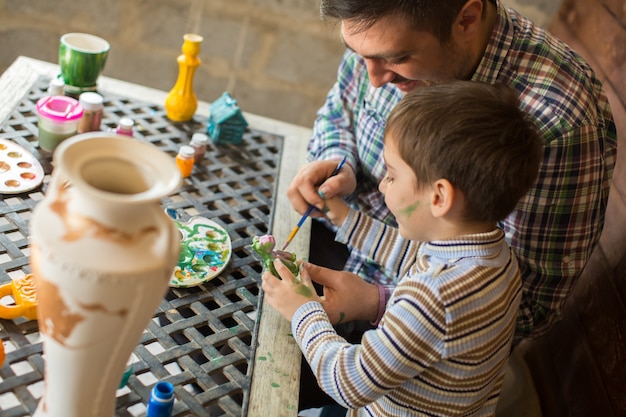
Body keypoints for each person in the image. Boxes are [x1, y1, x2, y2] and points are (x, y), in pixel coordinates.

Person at [287, 0, 617, 343]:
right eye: (358, 54)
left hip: (402, 331)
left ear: (468, 19)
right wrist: (339, 159)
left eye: (398, 59)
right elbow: (340, 108)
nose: (374, 79)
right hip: (338, 235)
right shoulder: (378, 37)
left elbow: (526, 309)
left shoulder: (557, 124)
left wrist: (376, 302)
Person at [263, 81, 543, 416]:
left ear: (439, 197)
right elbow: (412, 259)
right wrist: (345, 220)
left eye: (393, 176)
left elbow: (348, 381)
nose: (382, 184)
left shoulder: (435, 297)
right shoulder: (493, 257)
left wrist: (303, 311)